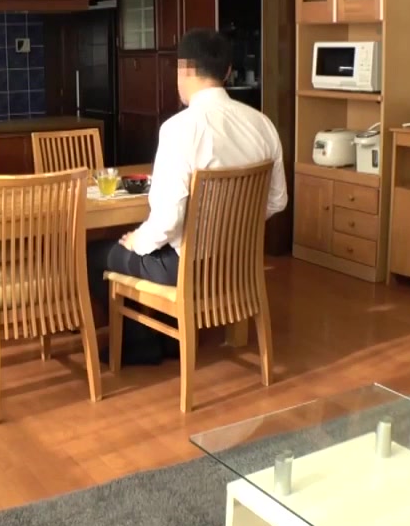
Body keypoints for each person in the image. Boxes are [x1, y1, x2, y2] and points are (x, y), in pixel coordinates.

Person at [88, 28, 288, 365]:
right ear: (227, 72)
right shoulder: (262, 124)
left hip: (186, 267)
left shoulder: (180, 128)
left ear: (184, 69)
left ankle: (140, 342)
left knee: (97, 253)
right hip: (237, 265)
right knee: (152, 245)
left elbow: (168, 220)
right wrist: (233, 232)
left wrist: (137, 241)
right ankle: (167, 335)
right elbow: (277, 200)